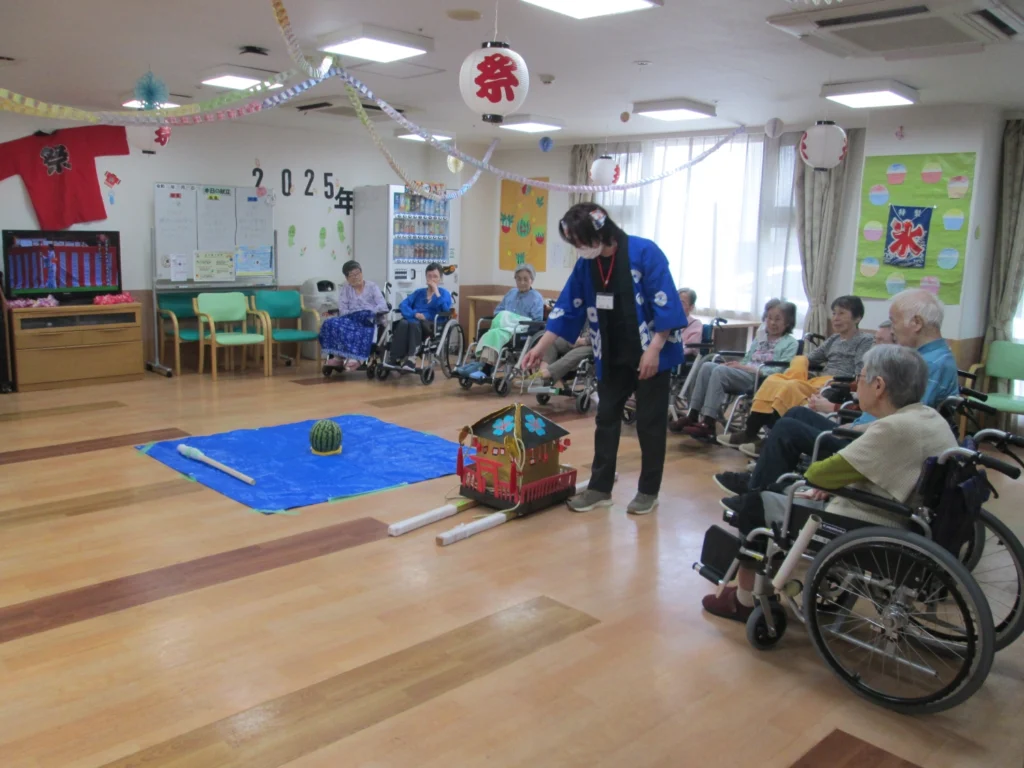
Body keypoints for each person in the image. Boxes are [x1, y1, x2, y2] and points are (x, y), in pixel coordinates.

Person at [702, 344, 959, 621]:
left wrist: (828, 484)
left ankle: (744, 600)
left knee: (755, 505)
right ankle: (758, 500)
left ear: (879, 386)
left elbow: (819, 475)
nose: (856, 385)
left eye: (860, 378)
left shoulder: (892, 430)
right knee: (774, 487)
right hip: (899, 513)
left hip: (865, 518)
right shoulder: (927, 416)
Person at [714, 289, 960, 499]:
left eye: (893, 321)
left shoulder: (930, 364)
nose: (892, 330)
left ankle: (756, 495)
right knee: (797, 413)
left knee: (788, 429)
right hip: (866, 429)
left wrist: (851, 424)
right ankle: (765, 479)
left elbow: (903, 421)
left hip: (869, 443)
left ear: (916, 323)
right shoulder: (927, 357)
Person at [521, 203, 687, 515]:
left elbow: (665, 302)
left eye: (579, 241)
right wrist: (541, 347)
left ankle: (648, 492)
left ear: (599, 231)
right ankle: (599, 489)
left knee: (649, 425)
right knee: (606, 418)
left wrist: (654, 349)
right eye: (573, 243)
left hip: (650, 352)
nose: (578, 248)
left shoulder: (644, 252)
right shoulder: (587, 265)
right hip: (610, 353)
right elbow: (568, 306)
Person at [728, 295, 873, 457]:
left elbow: (860, 371)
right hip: (821, 381)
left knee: (790, 387)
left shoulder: (864, 340)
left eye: (841, 313)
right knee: (774, 380)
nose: (835, 318)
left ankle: (772, 439)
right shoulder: (834, 339)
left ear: (857, 317)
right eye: (834, 313)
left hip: (838, 384)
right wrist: (799, 364)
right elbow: (811, 358)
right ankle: (751, 431)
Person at [670, 300, 799, 440]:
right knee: (707, 366)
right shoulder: (761, 336)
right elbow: (748, 358)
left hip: (761, 379)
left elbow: (779, 371)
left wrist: (746, 367)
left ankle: (708, 423)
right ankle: (692, 414)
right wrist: (736, 365)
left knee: (719, 371)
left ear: (788, 322)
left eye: (778, 319)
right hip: (745, 373)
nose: (772, 323)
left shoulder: (791, 343)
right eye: (769, 318)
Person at [457, 263, 544, 380]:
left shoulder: (536, 297)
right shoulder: (511, 293)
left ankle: (486, 369)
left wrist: (512, 319)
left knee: (495, 334)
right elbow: (498, 311)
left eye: (525, 279)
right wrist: (506, 317)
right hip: (503, 327)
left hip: (520, 330)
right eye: (518, 279)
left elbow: (537, 321)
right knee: (491, 331)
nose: (522, 282)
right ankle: (479, 364)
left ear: (532, 280)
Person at [320, 260, 389, 371]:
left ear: (362, 273)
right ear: (347, 278)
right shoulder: (345, 289)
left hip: (369, 318)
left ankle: (357, 358)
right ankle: (338, 357)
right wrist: (354, 315)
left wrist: (370, 312)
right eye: (352, 275)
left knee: (360, 324)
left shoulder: (372, 287)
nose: (356, 277)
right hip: (351, 318)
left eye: (357, 273)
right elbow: (343, 309)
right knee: (330, 322)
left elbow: (383, 305)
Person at [390, 263, 452, 371]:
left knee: (413, 323)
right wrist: (413, 314)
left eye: (435, 276)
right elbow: (403, 304)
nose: (432, 279)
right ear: (426, 277)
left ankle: (412, 359)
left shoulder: (444, 293)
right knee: (404, 323)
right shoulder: (419, 292)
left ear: (440, 278)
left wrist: (436, 292)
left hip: (431, 323)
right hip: (414, 319)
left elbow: (446, 311)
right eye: (429, 276)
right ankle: (395, 358)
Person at [678, 288, 704, 353]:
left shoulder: (695, 324)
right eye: (675, 302)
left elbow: (690, 348)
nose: (676, 306)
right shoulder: (668, 321)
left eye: (681, 303)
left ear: (691, 307)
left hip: (682, 356)